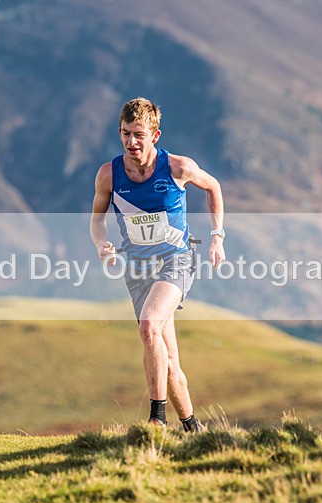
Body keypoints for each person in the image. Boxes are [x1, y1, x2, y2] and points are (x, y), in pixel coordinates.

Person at [90, 97, 226, 432]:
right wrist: (101, 245)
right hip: (137, 270)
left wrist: (217, 236)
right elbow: (97, 219)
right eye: (124, 133)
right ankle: (194, 429)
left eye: (138, 134)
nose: (130, 142)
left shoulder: (178, 167)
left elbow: (214, 187)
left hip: (176, 261)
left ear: (155, 135)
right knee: (167, 359)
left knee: (149, 325)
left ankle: (156, 418)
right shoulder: (109, 174)